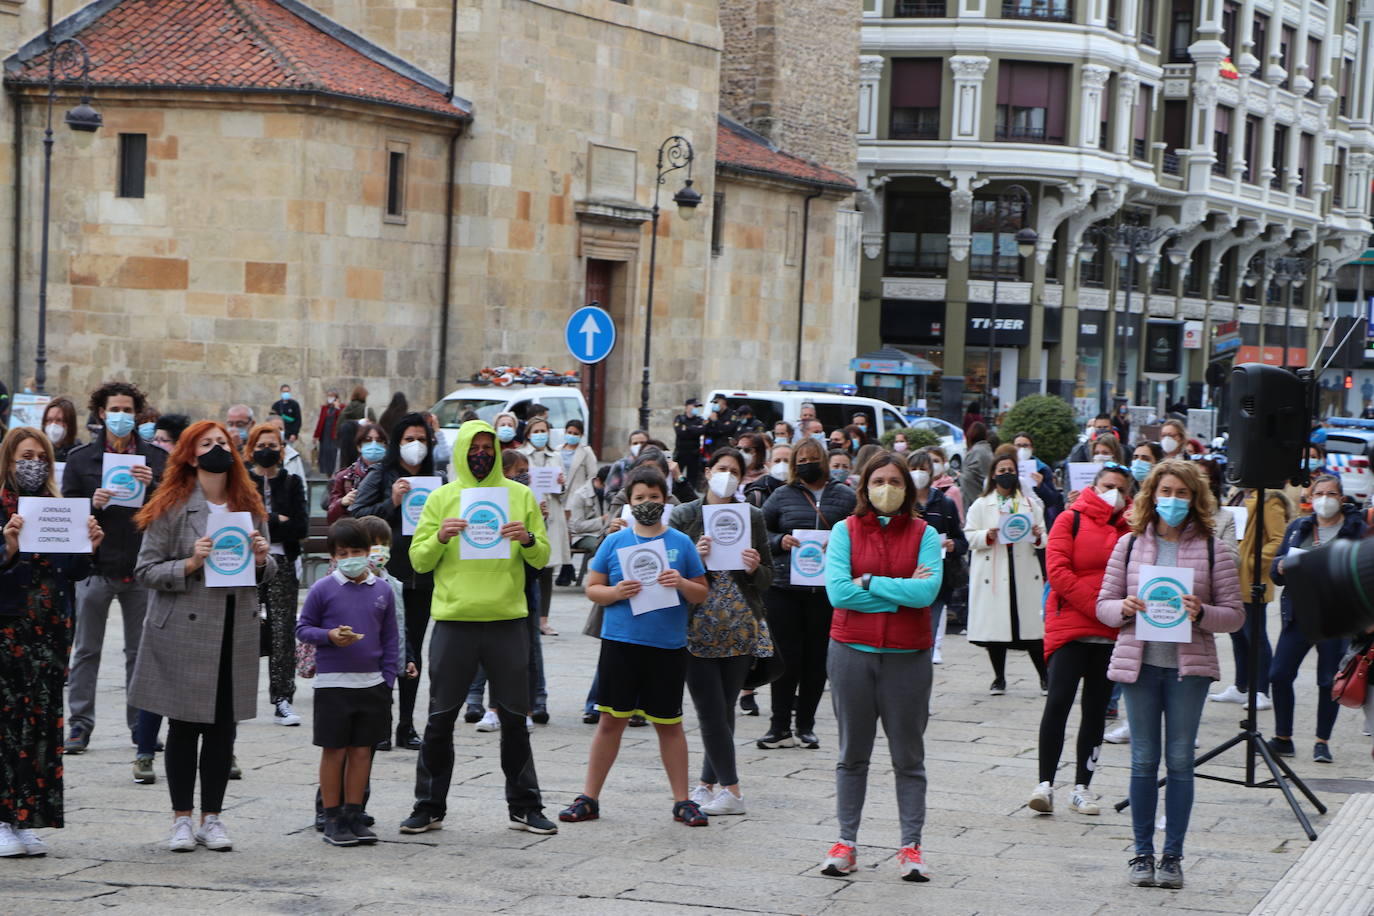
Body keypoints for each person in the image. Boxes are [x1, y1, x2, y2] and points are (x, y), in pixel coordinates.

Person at [400, 419, 556, 836]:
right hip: (454, 622)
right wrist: (440, 538)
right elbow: (419, 561)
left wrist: (526, 539)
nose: (481, 455)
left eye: (488, 447)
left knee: (514, 718)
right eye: (474, 448)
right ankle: (428, 806)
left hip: (506, 621)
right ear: (461, 451)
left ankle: (525, 806)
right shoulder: (441, 498)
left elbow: (542, 558)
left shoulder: (520, 495)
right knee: (439, 718)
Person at [1096, 458, 1243, 889]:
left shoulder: (1213, 549)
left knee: (1179, 761)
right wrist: (1122, 608)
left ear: (1195, 499)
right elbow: (1103, 605)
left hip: (1187, 671)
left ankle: (1173, 856)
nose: (1173, 501)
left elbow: (1234, 617)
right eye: (1166, 492)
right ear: (1151, 496)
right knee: (1143, 761)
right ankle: (1142, 854)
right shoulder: (1128, 545)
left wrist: (1202, 613)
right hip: (1139, 666)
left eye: (1182, 493)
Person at [129, 420, 275, 853]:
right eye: (207, 444)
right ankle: (181, 818)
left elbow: (271, 569)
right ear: (190, 455)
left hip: (235, 626)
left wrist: (265, 559)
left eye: (223, 443)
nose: (217, 449)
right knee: (184, 725)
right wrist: (190, 563)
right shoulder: (172, 504)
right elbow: (146, 570)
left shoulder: (248, 502)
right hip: (184, 630)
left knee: (222, 728)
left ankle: (213, 818)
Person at [559, 466, 710, 827]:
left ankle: (682, 800)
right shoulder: (615, 542)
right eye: (640, 497)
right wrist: (615, 592)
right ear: (629, 501)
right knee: (611, 721)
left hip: (667, 646)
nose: (647, 503)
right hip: (622, 643)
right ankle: (589, 797)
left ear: (666, 499)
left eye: (654, 497)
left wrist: (681, 584)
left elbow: (702, 591)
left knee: (670, 724)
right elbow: (593, 587)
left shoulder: (680, 543)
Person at [818, 451, 943, 882]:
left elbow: (926, 593)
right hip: (851, 649)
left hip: (908, 656)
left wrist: (869, 582)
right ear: (864, 487)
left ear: (907, 488)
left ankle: (911, 846)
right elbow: (837, 593)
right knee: (852, 752)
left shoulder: (926, 533)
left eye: (894, 480)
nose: (885, 488)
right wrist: (900, 593)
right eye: (877, 480)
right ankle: (845, 842)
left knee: (908, 755)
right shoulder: (844, 531)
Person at [0, 427, 103, 857]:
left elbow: (74, 570)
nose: (34, 463)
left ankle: (28, 819)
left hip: (51, 627)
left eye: (41, 456)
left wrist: (91, 545)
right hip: (8, 627)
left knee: (42, 723)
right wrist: (6, 546)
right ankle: (2, 819)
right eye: (26, 455)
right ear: (8, 459)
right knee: (7, 723)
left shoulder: (58, 506)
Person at [61, 380, 168, 755]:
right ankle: (79, 724)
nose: (122, 416)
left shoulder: (156, 459)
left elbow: (170, 512)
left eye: (128, 410)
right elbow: (69, 515)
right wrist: (92, 503)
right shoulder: (79, 459)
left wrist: (153, 487)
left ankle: (141, 726)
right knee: (86, 649)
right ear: (102, 413)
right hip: (96, 566)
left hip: (140, 567)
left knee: (140, 653)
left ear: (137, 415)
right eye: (115, 410)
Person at [671, 448, 773, 817]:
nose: (727, 475)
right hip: (697, 626)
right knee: (709, 709)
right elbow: (673, 572)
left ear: (742, 477)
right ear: (708, 472)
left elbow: (767, 578)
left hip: (741, 625)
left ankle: (706, 785)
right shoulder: (685, 514)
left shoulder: (753, 517)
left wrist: (753, 567)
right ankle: (732, 789)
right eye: (721, 468)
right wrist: (694, 555)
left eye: (734, 470)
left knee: (723, 708)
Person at [1031, 461, 1133, 817]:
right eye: (1108, 485)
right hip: (1070, 628)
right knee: (1057, 702)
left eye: (1121, 487)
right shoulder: (1069, 519)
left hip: (1110, 633)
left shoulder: (1133, 527)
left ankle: (1082, 787)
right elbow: (1057, 571)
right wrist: (1098, 607)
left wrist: (1111, 612)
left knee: (1096, 711)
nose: (1114, 493)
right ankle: (1044, 784)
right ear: (1095, 485)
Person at [296, 518, 399, 847]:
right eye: (343, 552)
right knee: (335, 751)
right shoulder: (322, 589)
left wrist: (387, 679)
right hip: (333, 683)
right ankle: (333, 816)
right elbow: (303, 629)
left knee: (361, 752)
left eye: (357, 551)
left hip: (371, 684)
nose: (351, 557)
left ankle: (355, 813)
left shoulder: (382, 590)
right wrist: (328, 636)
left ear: (369, 552)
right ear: (333, 556)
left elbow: (391, 637)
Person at [758, 437, 857, 750]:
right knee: (786, 658)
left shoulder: (845, 496)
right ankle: (778, 725)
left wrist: (840, 543)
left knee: (816, 660)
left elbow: (859, 531)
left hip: (826, 590)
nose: (806, 464)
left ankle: (806, 724)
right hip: (785, 588)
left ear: (824, 460)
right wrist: (779, 541)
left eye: (812, 458)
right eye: (800, 460)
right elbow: (760, 530)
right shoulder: (782, 495)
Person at [350, 413, 440, 751]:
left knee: (412, 652)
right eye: (408, 439)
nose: (415, 445)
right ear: (397, 443)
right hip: (385, 576)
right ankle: (381, 724)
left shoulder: (436, 479)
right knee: (385, 650)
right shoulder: (381, 475)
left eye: (421, 439)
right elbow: (359, 516)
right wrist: (393, 502)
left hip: (423, 578)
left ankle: (406, 724)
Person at [1267, 475, 1364, 763]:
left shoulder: (1356, 529)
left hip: (1336, 619)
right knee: (1279, 674)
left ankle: (1322, 741)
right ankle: (1283, 737)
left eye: (1331, 493)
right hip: (1299, 615)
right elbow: (1276, 568)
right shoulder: (1299, 528)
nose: (1324, 499)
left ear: (1342, 498)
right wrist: (1281, 566)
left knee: (1327, 681)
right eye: (1319, 493)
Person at [964, 445, 1048, 695]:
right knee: (996, 628)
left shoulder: (1030, 504)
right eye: (1002, 470)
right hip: (994, 570)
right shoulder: (981, 505)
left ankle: (1045, 677)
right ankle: (998, 678)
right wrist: (986, 536)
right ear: (993, 474)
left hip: (1022, 569)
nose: (1006, 474)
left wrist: (1036, 536)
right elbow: (969, 536)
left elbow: (1045, 537)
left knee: (1032, 630)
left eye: (1010, 470)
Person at [244, 423, 309, 726]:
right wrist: (274, 519)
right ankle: (237, 695)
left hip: (282, 563)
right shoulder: (243, 481)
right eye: (261, 446)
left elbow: (300, 527)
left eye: (272, 445)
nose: (266, 451)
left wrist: (266, 523)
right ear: (251, 449)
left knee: (283, 630)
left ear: (282, 449)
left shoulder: (292, 482)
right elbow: (242, 521)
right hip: (246, 563)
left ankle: (282, 698)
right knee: (244, 627)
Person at [1209, 488, 1289, 709]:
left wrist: (1252, 560)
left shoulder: (1270, 500)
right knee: (1237, 634)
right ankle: (1241, 686)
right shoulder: (1236, 495)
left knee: (1255, 635)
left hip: (1252, 578)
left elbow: (1278, 541)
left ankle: (1262, 691)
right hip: (1231, 573)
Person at [909, 450, 966, 664]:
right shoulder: (900, 503)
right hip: (906, 575)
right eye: (913, 469)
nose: (917, 474)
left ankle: (925, 662)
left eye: (922, 469)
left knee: (929, 630)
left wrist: (953, 545)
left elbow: (961, 540)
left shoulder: (945, 504)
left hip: (937, 577)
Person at [520, 416, 570, 636]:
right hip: (529, 512)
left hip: (552, 512)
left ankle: (544, 619)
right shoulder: (521, 455)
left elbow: (564, 491)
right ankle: (527, 613)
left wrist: (561, 484)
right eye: (536, 430)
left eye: (544, 430)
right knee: (530, 564)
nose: (541, 434)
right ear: (528, 433)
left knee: (548, 568)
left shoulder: (556, 456)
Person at [554, 419, 598, 586]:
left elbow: (592, 476)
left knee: (570, 532)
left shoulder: (586, 452)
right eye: (569, 432)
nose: (571, 436)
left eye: (575, 433)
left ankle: (566, 569)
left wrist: (585, 495)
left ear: (581, 435)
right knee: (562, 533)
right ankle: (567, 567)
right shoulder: (557, 450)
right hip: (559, 496)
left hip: (577, 497)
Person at [327, 424, 387, 524]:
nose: (374, 444)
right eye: (368, 440)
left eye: (379, 440)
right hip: (355, 533)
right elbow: (331, 518)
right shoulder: (345, 477)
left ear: (385, 446)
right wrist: (341, 503)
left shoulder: (392, 474)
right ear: (359, 446)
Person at [1011, 432, 1063, 527]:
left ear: (1032, 448)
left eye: (1026, 446)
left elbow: (1052, 500)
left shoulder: (1043, 469)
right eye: (1018, 446)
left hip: (1038, 519)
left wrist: (1041, 486)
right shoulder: (1008, 467)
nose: (1022, 449)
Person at [568, 464, 611, 552]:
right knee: (603, 548)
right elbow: (577, 526)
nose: (608, 489)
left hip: (607, 533)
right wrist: (602, 520)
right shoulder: (580, 495)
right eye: (605, 486)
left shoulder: (612, 492)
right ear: (598, 480)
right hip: (584, 536)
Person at [958, 422, 993, 516]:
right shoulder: (988, 450)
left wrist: (960, 476)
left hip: (973, 499)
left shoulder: (974, 452)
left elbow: (967, 478)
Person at [605, 429, 650, 499]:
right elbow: (609, 493)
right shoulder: (620, 466)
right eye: (635, 443)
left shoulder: (655, 464)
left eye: (642, 443)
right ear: (630, 446)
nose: (639, 446)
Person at [673, 398, 706, 492]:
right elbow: (680, 433)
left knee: (692, 477)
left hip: (694, 453)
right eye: (694, 406)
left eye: (697, 407)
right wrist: (694, 429)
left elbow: (702, 430)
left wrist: (687, 428)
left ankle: (690, 493)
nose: (696, 408)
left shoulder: (700, 419)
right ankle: (676, 491)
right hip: (681, 452)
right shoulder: (679, 418)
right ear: (687, 407)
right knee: (676, 474)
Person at [314, 389, 344, 475]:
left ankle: (333, 473)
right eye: (329, 396)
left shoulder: (341, 407)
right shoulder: (324, 408)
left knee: (333, 454)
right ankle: (325, 473)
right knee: (324, 454)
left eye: (332, 396)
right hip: (324, 435)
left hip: (334, 436)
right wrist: (316, 435)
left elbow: (341, 418)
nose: (330, 398)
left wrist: (337, 407)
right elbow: (320, 422)